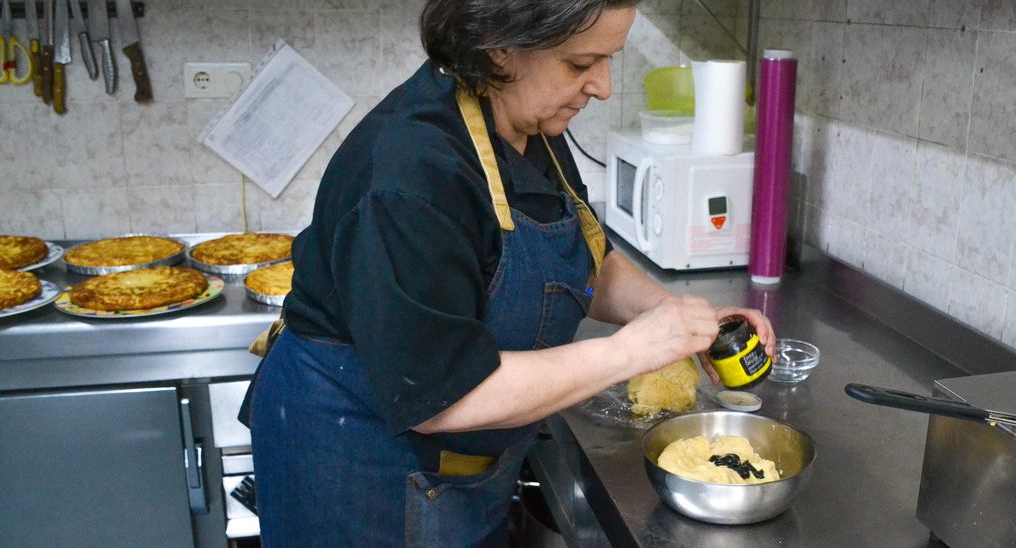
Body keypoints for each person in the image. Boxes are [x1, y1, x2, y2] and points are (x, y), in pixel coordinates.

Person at [244, 1, 775, 546]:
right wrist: (634, 349)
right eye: (580, 63)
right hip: (357, 462)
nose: (604, 87)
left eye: (607, 60)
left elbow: (584, 260)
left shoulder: (527, 121)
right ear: (500, 46)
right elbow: (447, 396)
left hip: (466, 472)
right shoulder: (411, 174)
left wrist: (679, 318)